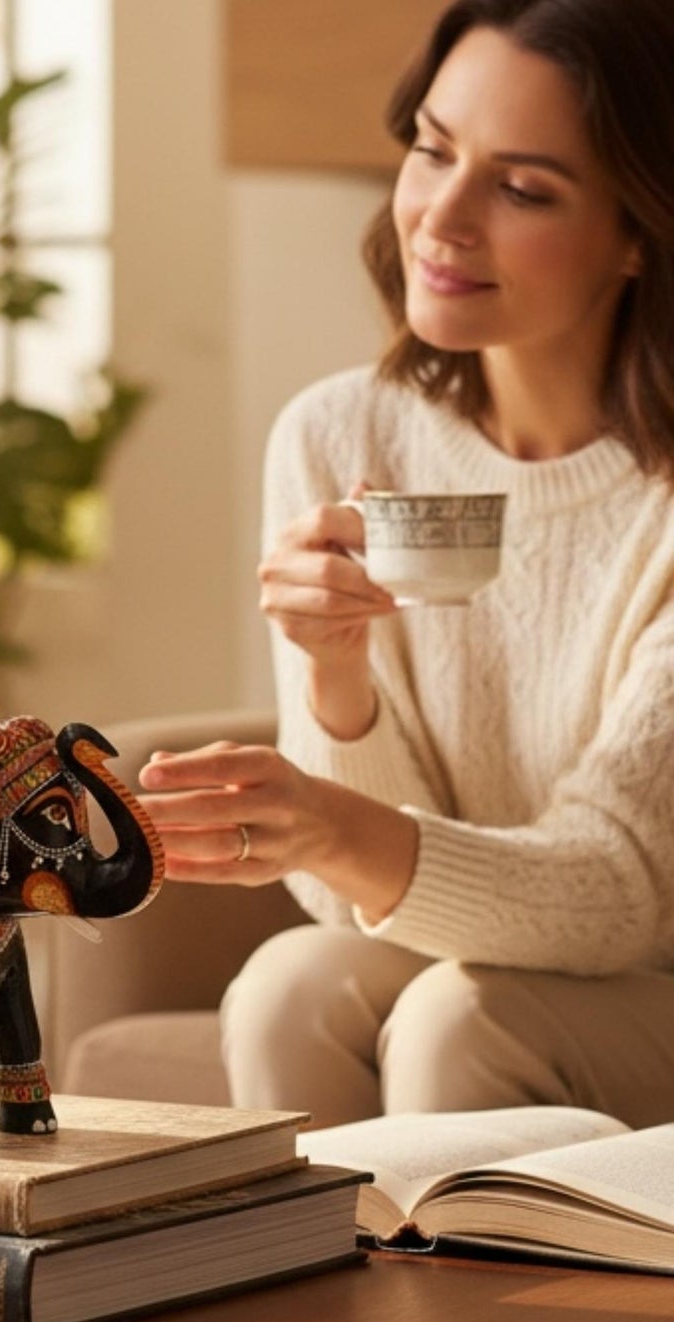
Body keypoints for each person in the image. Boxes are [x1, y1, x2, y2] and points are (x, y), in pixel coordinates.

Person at [139, 0, 674, 1129]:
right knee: (289, 985)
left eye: (520, 188)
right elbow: (343, 916)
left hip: (652, 985)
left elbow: (621, 894)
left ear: (635, 231)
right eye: (431, 150)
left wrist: (330, 821)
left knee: (458, 1020)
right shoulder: (338, 437)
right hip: (484, 961)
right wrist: (336, 677)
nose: (440, 215)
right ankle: (312, 1311)